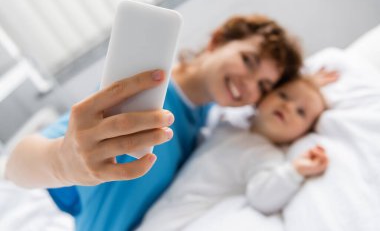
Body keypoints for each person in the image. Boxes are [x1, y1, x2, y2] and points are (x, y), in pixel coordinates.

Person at [4, 15, 303, 230]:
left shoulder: (208, 120)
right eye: (248, 60)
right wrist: (62, 163)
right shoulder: (141, 92)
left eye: (264, 86)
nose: (249, 84)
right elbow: (17, 165)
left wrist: (308, 88)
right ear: (217, 41)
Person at [136, 76, 330, 231]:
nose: (288, 106)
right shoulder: (230, 125)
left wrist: (295, 171)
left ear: (302, 134)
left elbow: (262, 197)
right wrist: (310, 82)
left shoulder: (267, 155)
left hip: (191, 213)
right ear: (263, 97)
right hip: (168, 201)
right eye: (284, 95)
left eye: (301, 112)